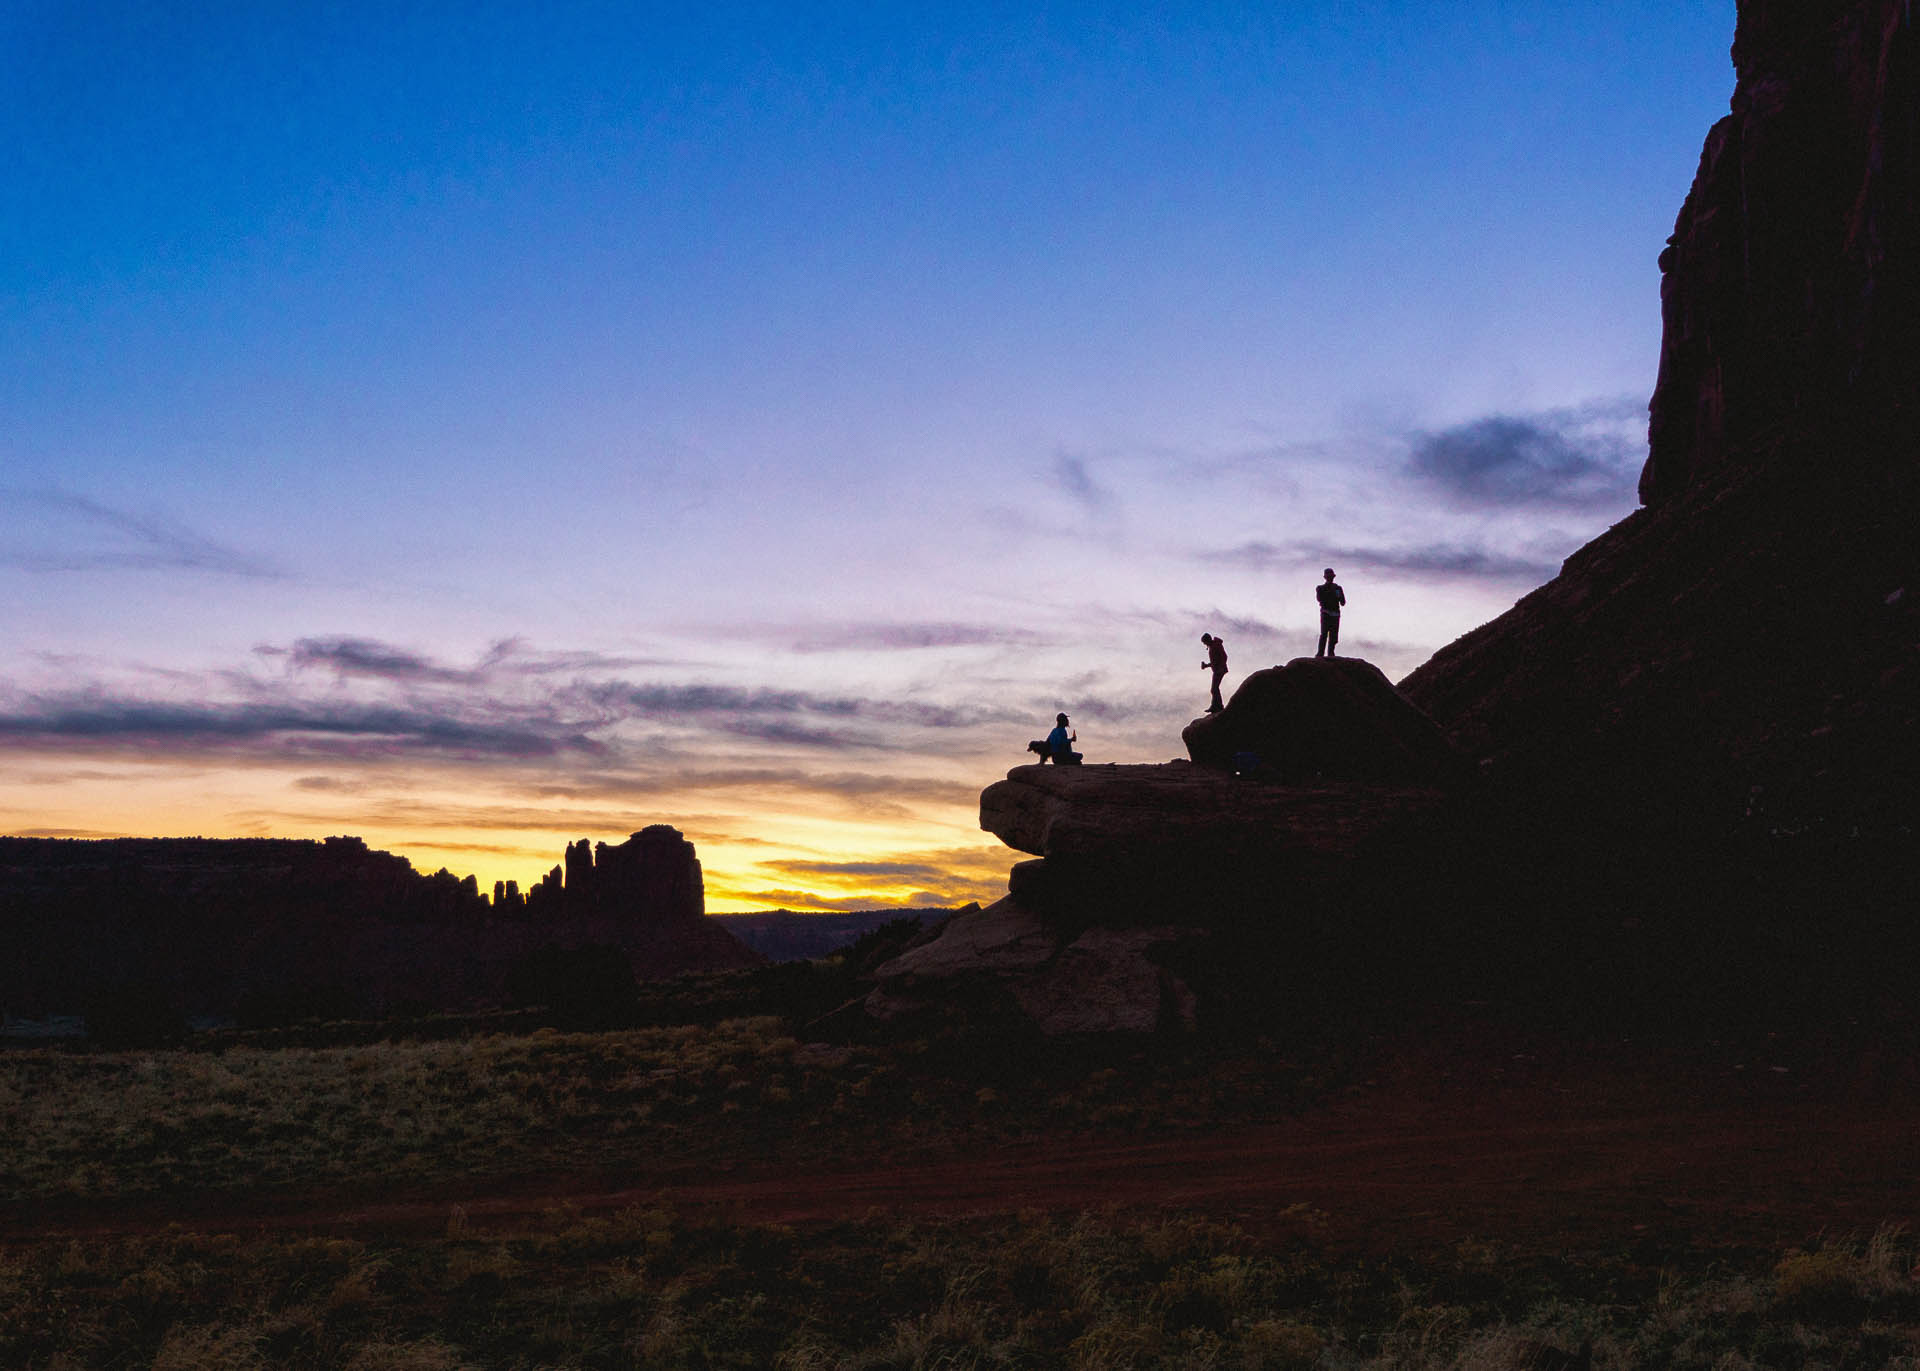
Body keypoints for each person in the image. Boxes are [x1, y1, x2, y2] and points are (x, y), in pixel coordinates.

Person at [1315, 568, 1346, 658]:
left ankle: (1330, 653)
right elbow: (1320, 599)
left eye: (1331, 576)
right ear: (1325, 577)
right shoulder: (1320, 588)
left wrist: (1338, 595)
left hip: (1335, 614)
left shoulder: (1338, 588)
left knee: (1333, 635)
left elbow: (1343, 602)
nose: (1330, 578)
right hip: (1326, 613)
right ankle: (1321, 653)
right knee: (1324, 634)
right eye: (1328, 576)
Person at [1200, 632, 1228, 713]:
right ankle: (1216, 706)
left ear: (1207, 640)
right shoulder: (1212, 646)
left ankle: (1218, 706)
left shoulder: (1216, 645)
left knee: (1214, 689)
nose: (1204, 644)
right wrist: (1206, 665)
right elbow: (1215, 661)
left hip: (1220, 670)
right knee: (1214, 689)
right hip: (1217, 670)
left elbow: (1224, 657)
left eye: (1204, 642)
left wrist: (1220, 666)